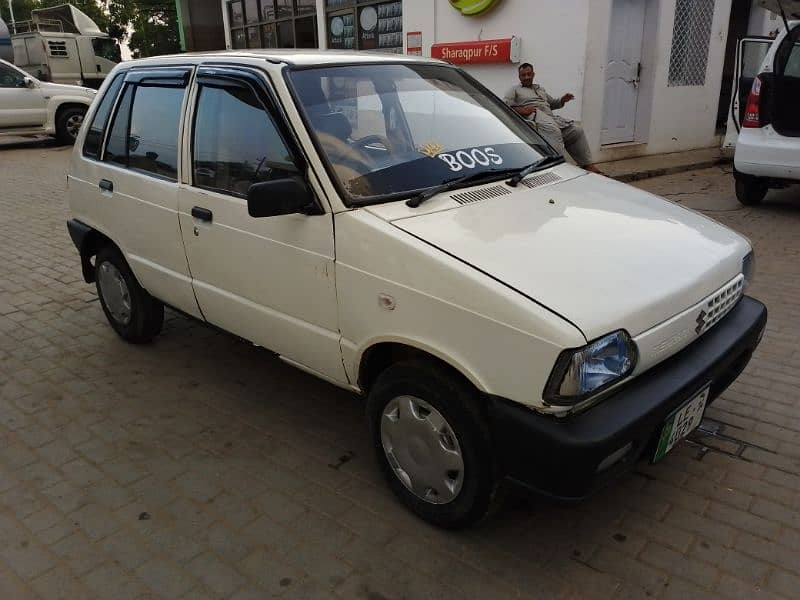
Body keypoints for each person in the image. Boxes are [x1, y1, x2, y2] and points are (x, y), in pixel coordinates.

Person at [503, 62, 602, 173]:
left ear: (533, 74)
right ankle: (560, 169)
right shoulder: (515, 90)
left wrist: (562, 100)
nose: (526, 77)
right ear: (519, 77)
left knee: (576, 130)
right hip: (535, 118)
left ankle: (587, 164)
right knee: (554, 131)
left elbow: (552, 104)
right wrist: (522, 110)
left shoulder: (540, 89)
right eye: (523, 75)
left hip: (550, 118)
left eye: (529, 74)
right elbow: (504, 107)